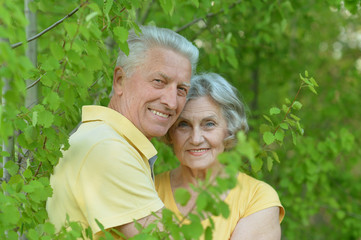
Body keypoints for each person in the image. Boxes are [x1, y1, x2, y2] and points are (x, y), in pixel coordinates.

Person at [46, 25, 199, 239]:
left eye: (181, 89)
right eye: (159, 82)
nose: (171, 102)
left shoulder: (102, 138)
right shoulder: (108, 149)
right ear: (120, 80)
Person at [155, 73, 285, 240]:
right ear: (170, 132)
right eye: (183, 125)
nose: (196, 139)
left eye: (209, 124)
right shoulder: (147, 191)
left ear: (230, 129)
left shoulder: (257, 198)